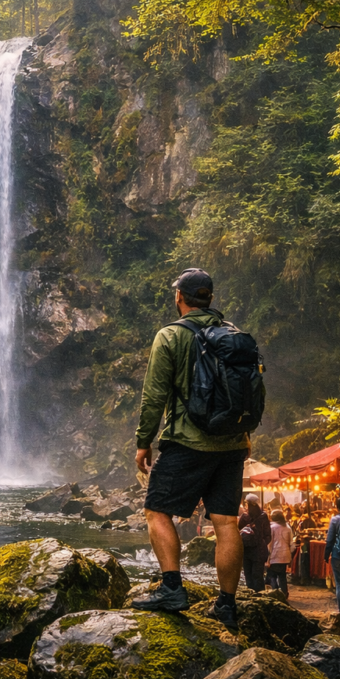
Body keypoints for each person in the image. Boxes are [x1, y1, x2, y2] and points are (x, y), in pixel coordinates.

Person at [131, 268, 250, 630]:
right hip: (232, 444)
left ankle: (171, 588)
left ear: (179, 297)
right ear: (210, 298)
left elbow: (154, 396)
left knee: (156, 510)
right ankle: (226, 604)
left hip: (188, 441)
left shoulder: (170, 336)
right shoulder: (235, 336)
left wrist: (143, 442)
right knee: (226, 522)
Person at [239, 493, 273, 592]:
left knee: (248, 575)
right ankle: (260, 595)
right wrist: (262, 542)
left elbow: (239, 532)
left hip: (247, 550)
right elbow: (268, 535)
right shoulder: (264, 516)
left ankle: (251, 595)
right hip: (260, 551)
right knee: (258, 575)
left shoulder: (244, 517)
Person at [267, 509, 294, 595]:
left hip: (274, 555)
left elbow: (269, 544)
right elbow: (292, 544)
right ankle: (284, 593)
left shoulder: (271, 527)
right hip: (285, 556)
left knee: (272, 575)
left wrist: (268, 557)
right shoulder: (287, 527)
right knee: (282, 575)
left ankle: (276, 593)